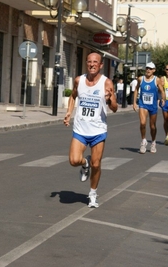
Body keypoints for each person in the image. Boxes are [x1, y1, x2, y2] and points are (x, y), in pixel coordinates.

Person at [63, 52, 117, 208]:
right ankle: (84, 163)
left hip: (98, 130)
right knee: (73, 160)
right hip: (80, 128)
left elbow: (114, 108)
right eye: (89, 62)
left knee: (97, 164)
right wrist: (69, 112)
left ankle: (93, 194)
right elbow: (73, 96)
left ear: (100, 65)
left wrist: (109, 100)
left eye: (95, 62)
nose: (92, 64)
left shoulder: (107, 83)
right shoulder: (79, 80)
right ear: (86, 63)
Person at [133, 62, 166, 154]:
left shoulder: (157, 80)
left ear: (154, 70)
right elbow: (136, 89)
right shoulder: (141, 79)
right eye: (147, 68)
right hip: (143, 104)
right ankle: (143, 141)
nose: (148, 70)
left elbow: (162, 91)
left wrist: (163, 99)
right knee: (143, 123)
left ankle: (153, 142)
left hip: (153, 105)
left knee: (152, 126)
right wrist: (134, 102)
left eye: (150, 69)